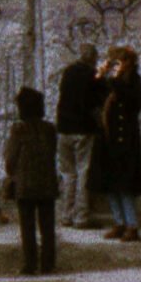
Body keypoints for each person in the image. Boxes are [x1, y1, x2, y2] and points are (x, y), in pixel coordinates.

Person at [90, 48, 141, 243]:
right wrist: (99, 76)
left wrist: (113, 80)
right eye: (114, 61)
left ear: (129, 62)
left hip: (125, 139)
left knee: (125, 185)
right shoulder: (111, 81)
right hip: (108, 138)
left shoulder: (134, 80)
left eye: (120, 61)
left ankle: (132, 225)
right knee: (110, 185)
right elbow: (95, 96)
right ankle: (118, 222)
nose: (117, 65)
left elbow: (133, 102)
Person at [4, 86, 61, 276]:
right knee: (48, 226)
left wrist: (11, 173)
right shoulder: (49, 129)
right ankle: (48, 263)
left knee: (27, 228)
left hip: (26, 183)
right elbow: (52, 152)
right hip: (47, 181)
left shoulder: (18, 129)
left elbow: (11, 159)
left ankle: (30, 264)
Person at [54, 41, 104, 228]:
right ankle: (81, 216)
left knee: (68, 173)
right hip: (83, 128)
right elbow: (98, 100)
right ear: (93, 58)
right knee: (83, 171)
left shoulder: (68, 72)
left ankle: (66, 214)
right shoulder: (92, 75)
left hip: (64, 127)